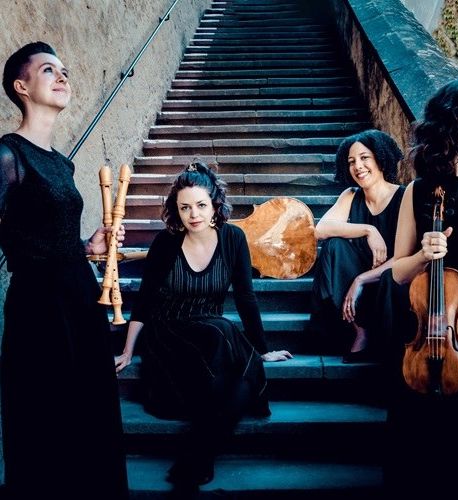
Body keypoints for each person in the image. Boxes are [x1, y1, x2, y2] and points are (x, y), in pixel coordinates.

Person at [0, 42, 129, 499]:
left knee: (89, 415)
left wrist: (87, 247)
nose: (62, 77)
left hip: (79, 295)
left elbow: (48, 235)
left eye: (65, 71)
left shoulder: (61, 163)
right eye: (48, 70)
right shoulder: (8, 154)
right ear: (21, 87)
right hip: (39, 305)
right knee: (48, 418)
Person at [115, 161, 292, 487]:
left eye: (200, 205)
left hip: (210, 332)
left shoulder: (233, 239)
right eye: (184, 207)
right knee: (226, 339)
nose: (193, 214)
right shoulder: (166, 243)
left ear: (215, 205)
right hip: (169, 331)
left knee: (234, 350)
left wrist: (262, 348)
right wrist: (128, 351)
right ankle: (202, 453)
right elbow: (145, 301)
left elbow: (246, 298)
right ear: (176, 210)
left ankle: (198, 456)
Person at [386, 77, 458, 498]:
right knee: (428, 451)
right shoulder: (417, 191)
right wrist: (423, 255)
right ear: (452, 120)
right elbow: (399, 272)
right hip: (434, 333)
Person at [309, 129, 405, 362]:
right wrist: (368, 230)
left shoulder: (404, 196)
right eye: (351, 161)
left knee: (390, 274)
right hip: (355, 273)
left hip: (390, 277)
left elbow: (407, 255)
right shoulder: (351, 195)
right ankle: (360, 331)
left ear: (380, 158)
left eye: (364, 158)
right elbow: (320, 230)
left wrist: (361, 279)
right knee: (334, 246)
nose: (358, 166)